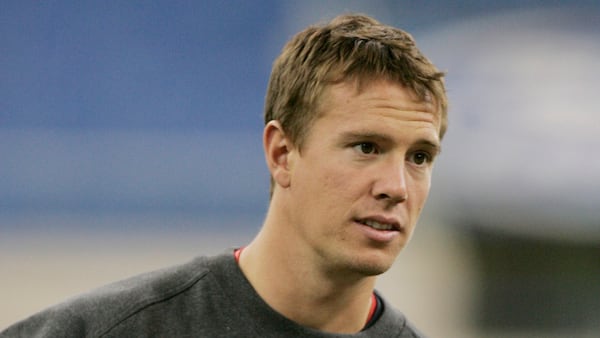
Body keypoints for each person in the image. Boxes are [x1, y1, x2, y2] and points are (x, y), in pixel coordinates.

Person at [1, 13, 447, 337]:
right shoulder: (106, 331)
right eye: (366, 148)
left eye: (420, 157)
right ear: (282, 153)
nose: (396, 187)